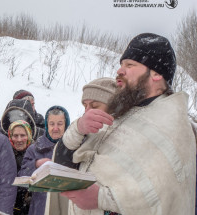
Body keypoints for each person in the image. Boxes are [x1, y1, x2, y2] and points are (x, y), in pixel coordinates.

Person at [59, 33, 196, 215]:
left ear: (156, 73)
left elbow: (163, 191)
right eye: (121, 65)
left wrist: (101, 198)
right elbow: (63, 162)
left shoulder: (173, 127)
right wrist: (78, 129)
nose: (119, 71)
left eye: (130, 65)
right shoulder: (121, 117)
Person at [45, 77, 117, 215]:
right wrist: (78, 129)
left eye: (95, 106)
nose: (88, 111)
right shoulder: (83, 134)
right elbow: (62, 161)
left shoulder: (121, 136)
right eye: (85, 106)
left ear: (112, 107)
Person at [19, 105, 70, 215]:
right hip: (41, 206)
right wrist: (36, 164)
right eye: (52, 124)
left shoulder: (74, 148)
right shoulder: (35, 148)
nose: (55, 128)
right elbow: (21, 177)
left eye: (60, 124)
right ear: (47, 125)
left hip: (67, 206)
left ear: (66, 125)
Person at [8, 120, 33, 215]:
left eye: (22, 135)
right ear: (10, 136)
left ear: (29, 136)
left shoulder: (36, 153)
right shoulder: (4, 154)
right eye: (15, 135)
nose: (19, 140)